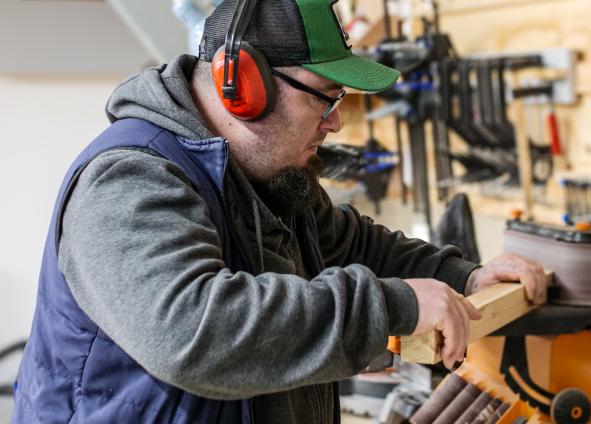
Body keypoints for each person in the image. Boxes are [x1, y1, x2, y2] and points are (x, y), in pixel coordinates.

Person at [12, 0, 546, 422]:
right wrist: (392, 306)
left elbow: (355, 245)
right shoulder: (130, 180)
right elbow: (196, 332)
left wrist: (464, 276)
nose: (335, 124)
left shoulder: (264, 177)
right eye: (326, 98)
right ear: (242, 86)